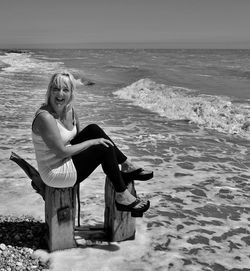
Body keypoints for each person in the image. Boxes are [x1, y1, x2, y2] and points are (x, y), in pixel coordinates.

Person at [31, 71, 153, 216]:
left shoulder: (69, 110)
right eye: (56, 89)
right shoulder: (45, 117)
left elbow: (79, 137)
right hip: (55, 172)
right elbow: (61, 152)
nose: (60, 94)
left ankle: (126, 165)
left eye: (65, 89)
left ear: (71, 93)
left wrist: (92, 142)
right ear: (49, 90)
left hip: (65, 159)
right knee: (102, 148)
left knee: (93, 129)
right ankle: (122, 195)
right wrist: (92, 143)